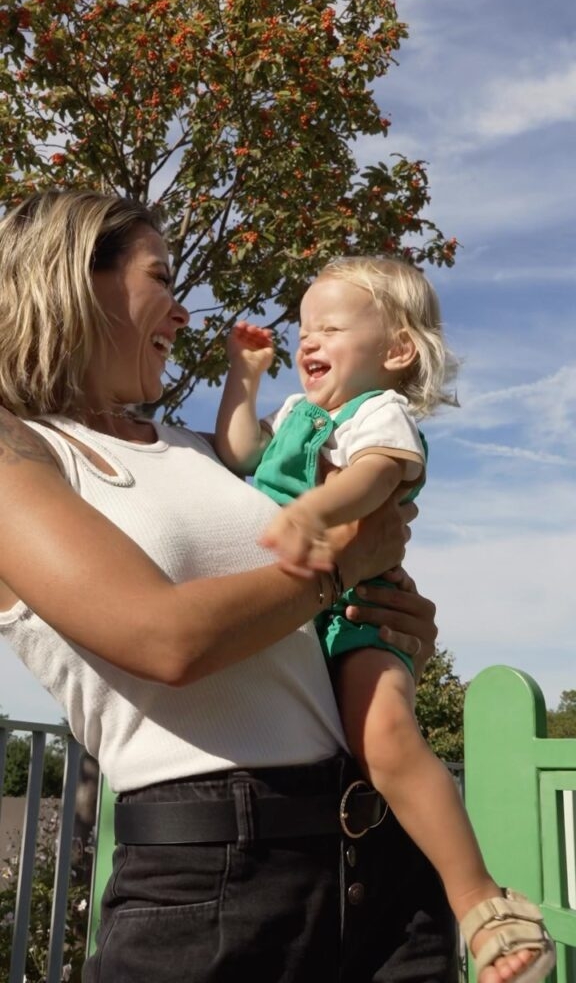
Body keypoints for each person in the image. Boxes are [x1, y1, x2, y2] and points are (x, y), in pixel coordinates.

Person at [0, 189, 457, 983]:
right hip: (217, 881)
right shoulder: (24, 452)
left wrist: (386, 612)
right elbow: (165, 639)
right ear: (76, 278)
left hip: (377, 860)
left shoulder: (201, 449)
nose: (182, 315)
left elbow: (322, 569)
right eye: (163, 280)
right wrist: (342, 563)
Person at [215, 256, 556, 983]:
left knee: (384, 735)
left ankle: (479, 903)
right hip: (301, 616)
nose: (308, 340)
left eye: (331, 327)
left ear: (396, 351)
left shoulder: (378, 412)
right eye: (304, 328)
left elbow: (378, 472)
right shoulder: (297, 416)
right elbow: (238, 450)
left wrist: (316, 509)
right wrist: (243, 378)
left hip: (362, 608)